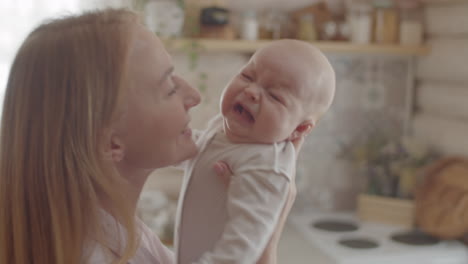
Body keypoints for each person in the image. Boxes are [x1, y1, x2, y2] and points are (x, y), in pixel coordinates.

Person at [0, 8, 301, 264]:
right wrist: (266, 241)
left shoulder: (107, 230)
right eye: (169, 87)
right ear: (110, 143)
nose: (193, 96)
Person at [176, 39, 336, 264]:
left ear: (298, 129)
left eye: (275, 96)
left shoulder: (266, 167)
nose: (250, 91)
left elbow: (242, 246)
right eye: (247, 76)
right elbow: (198, 150)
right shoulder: (225, 129)